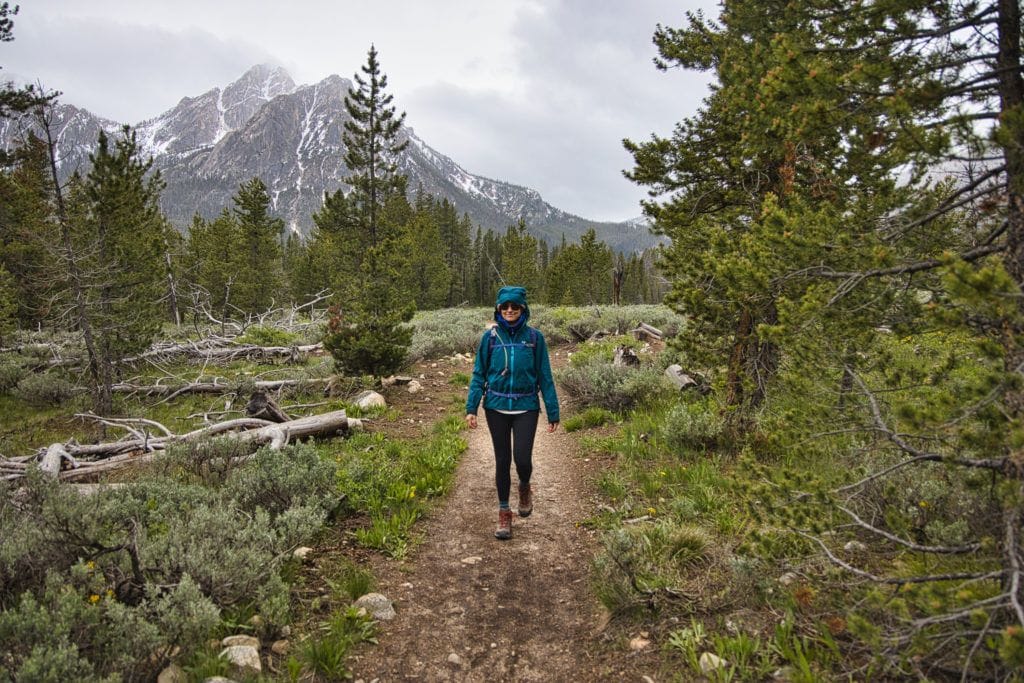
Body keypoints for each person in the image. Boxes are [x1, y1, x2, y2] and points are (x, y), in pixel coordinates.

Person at [465, 286, 560, 540]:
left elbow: (545, 377)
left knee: (522, 459)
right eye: (505, 307)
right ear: (498, 309)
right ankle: (504, 512)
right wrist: (471, 407)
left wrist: (553, 411)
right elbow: (478, 374)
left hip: (526, 406)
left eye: (514, 307)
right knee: (502, 460)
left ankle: (525, 485)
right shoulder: (490, 338)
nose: (509, 311)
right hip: (495, 406)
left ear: (522, 309)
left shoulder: (535, 338)